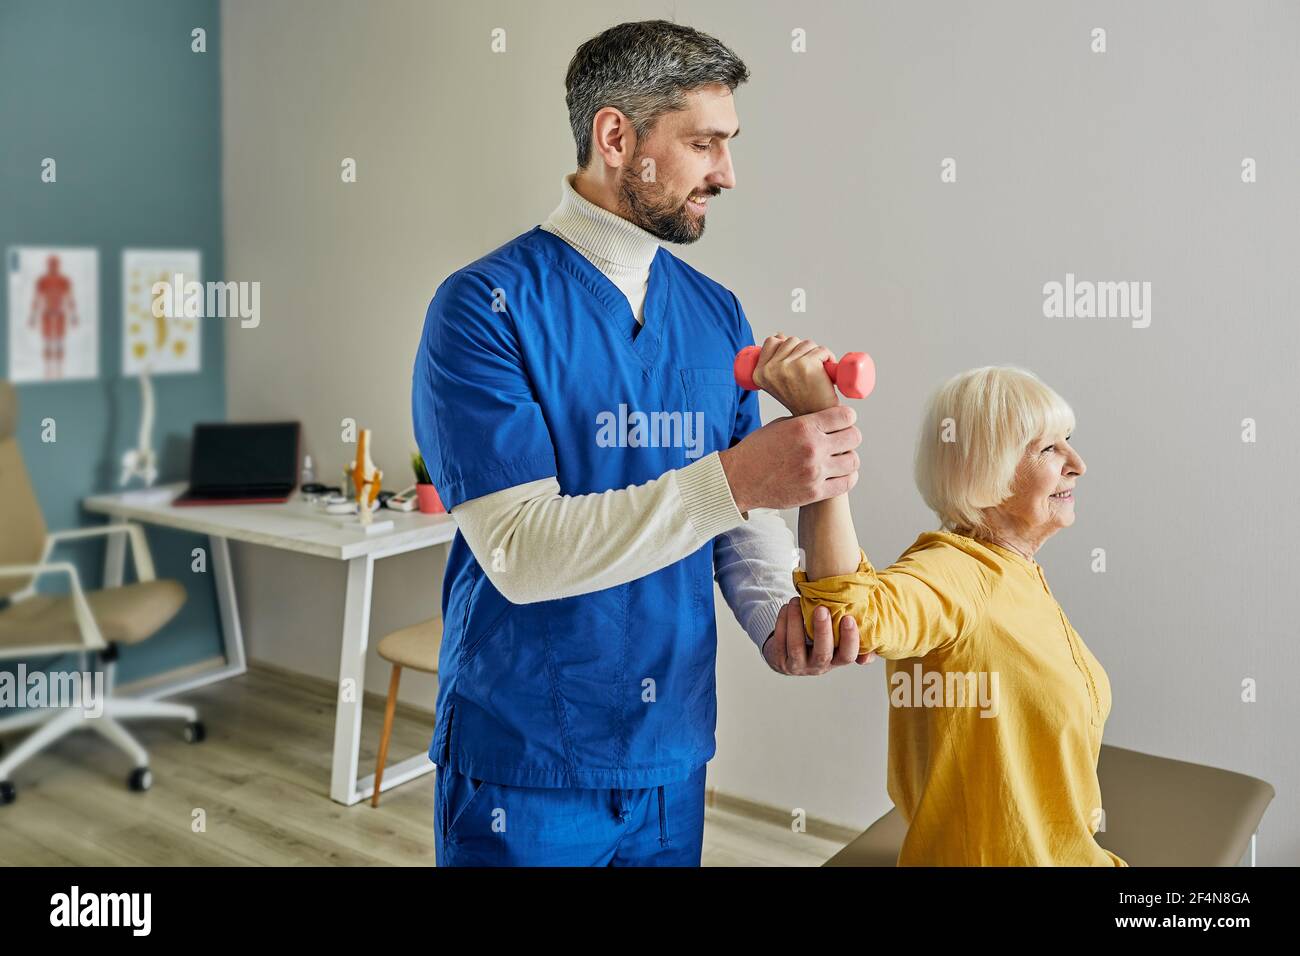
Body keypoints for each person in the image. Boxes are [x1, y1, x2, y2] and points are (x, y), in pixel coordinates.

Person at [411, 20, 865, 867]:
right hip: (527, 763)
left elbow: (742, 521)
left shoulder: (715, 312)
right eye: (704, 144)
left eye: (728, 145)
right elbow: (519, 552)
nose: (727, 174)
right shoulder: (482, 308)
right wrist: (733, 479)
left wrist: (774, 614)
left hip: (671, 751)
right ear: (617, 137)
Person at [749, 335, 1127, 866]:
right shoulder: (954, 574)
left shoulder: (1015, 571)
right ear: (988, 470)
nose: (1078, 463)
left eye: (1069, 440)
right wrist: (822, 422)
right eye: (1048, 448)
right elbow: (846, 614)